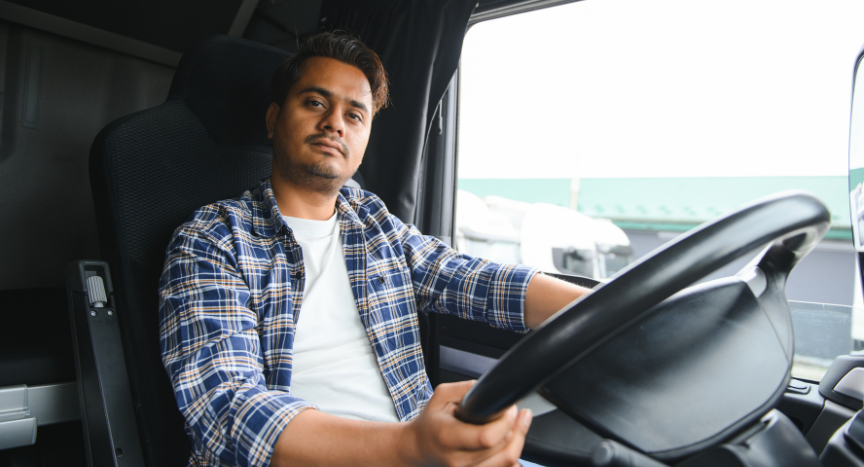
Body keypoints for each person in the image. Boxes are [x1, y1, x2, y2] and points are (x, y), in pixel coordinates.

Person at [158, 32, 590, 467]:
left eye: (354, 114)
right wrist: (410, 447)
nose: (335, 123)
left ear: (364, 142)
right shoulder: (213, 238)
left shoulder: (371, 221)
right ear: (273, 120)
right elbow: (227, 409)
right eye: (315, 102)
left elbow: (469, 278)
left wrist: (598, 310)